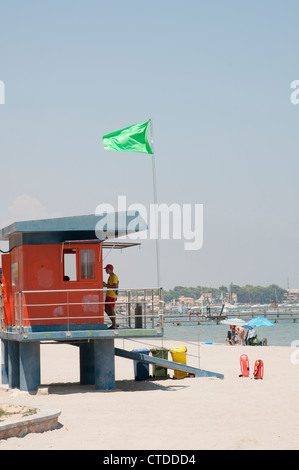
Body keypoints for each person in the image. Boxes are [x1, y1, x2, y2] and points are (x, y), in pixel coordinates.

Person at [103, 264, 119, 329]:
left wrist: (106, 285)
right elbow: (110, 285)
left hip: (112, 295)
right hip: (109, 295)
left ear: (110, 269)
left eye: (107, 269)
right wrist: (106, 284)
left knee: (111, 309)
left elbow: (115, 286)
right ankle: (114, 323)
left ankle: (114, 324)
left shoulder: (114, 276)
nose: (106, 270)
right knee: (106, 309)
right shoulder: (110, 276)